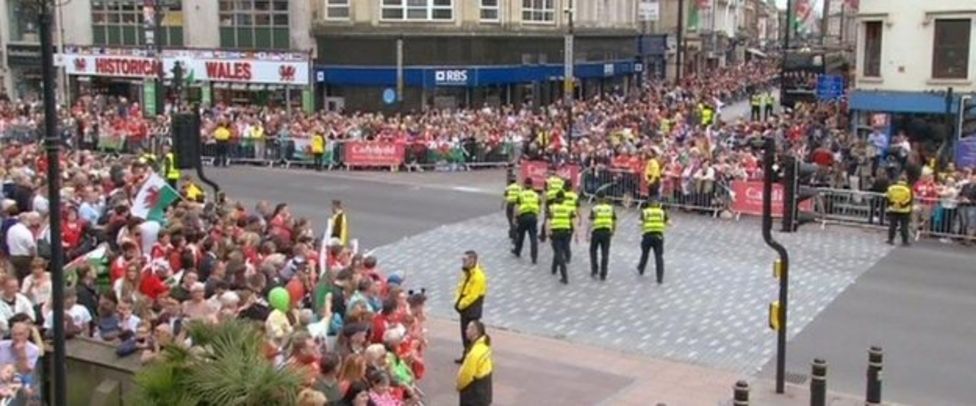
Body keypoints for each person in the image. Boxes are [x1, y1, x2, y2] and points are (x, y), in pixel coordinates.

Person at [454, 251, 486, 364]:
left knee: (470, 334)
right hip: (466, 309)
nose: (463, 262)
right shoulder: (468, 273)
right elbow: (461, 287)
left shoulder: (478, 276)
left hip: (472, 310)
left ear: (472, 260)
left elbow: (472, 295)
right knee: (465, 333)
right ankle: (467, 354)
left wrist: (460, 305)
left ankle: (471, 357)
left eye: (465, 260)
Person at [457, 320, 492, 406]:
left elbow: (466, 375)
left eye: (468, 328)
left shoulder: (474, 353)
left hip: (473, 395)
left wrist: (458, 385)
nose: (466, 330)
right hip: (484, 392)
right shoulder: (484, 346)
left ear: (475, 332)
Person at [637, 199, 668, 284]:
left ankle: (641, 268)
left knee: (645, 253)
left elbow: (639, 222)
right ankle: (660, 277)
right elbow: (669, 222)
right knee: (659, 257)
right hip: (659, 236)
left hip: (648, 236)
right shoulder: (662, 212)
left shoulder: (645, 211)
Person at [545, 192, 574, 285]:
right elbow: (572, 221)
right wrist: (576, 233)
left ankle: (564, 276)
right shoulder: (568, 208)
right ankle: (553, 268)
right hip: (566, 232)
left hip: (556, 232)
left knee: (558, 253)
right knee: (559, 250)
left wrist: (547, 233)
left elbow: (548, 221)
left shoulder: (551, 208)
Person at [588, 193, 616, 281]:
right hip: (607, 232)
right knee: (605, 253)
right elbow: (614, 221)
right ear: (604, 198)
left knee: (593, 251)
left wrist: (587, 233)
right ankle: (603, 273)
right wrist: (613, 230)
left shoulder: (595, 208)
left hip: (596, 232)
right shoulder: (610, 208)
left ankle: (594, 269)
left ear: (597, 198)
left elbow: (591, 221)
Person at [512, 179, 540, 264]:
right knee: (533, 237)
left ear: (524, 185)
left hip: (523, 217)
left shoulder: (521, 194)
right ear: (532, 185)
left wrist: (515, 217)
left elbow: (516, 207)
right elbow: (539, 205)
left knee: (520, 235)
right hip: (533, 216)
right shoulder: (536, 195)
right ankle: (534, 257)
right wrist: (537, 215)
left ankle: (517, 251)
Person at [886, 174, 913, 246]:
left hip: (893, 209)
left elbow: (888, 197)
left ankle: (890, 239)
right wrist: (902, 205)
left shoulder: (891, 187)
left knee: (892, 225)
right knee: (904, 226)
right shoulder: (908, 188)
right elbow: (909, 199)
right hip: (904, 210)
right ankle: (905, 241)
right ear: (906, 180)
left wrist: (892, 204)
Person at [502, 176, 522, 243]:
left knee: (510, 220)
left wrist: (502, 205)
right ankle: (512, 232)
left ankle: (514, 235)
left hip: (510, 205)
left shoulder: (508, 188)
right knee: (516, 220)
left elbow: (505, 197)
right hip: (517, 205)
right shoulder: (519, 188)